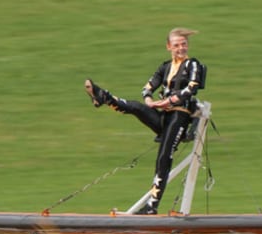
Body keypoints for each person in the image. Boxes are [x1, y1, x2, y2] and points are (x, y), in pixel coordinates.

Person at [85, 28, 207, 215]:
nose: (181, 48)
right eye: (176, 45)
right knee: (137, 107)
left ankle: (152, 206)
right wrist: (150, 100)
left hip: (179, 117)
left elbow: (191, 88)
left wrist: (168, 101)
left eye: (184, 44)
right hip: (164, 116)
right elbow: (147, 87)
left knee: (163, 157)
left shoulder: (193, 64)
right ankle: (104, 97)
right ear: (168, 47)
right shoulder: (165, 67)